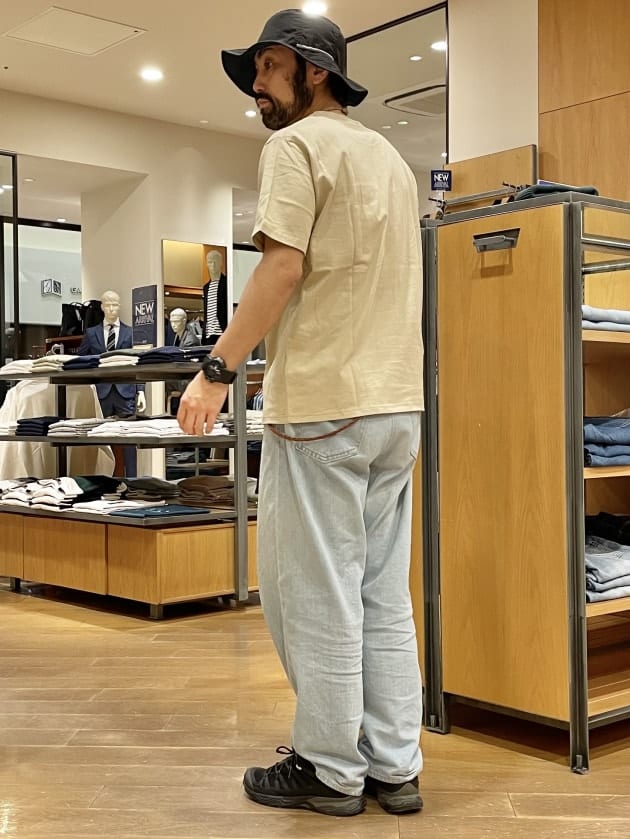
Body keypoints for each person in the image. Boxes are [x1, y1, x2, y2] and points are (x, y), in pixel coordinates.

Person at [178, 8, 424, 818]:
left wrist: (217, 370)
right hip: (396, 405)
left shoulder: (296, 146)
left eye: (268, 66)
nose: (256, 84)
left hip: (326, 405)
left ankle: (329, 766)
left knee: (315, 594)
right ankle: (394, 763)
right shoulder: (392, 160)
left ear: (315, 70)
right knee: (382, 594)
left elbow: (281, 268)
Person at [78, 289, 145, 476]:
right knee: (100, 437)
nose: (112, 308)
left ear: (120, 306)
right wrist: (87, 386)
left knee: (129, 439)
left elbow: (139, 363)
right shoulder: (91, 333)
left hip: (126, 392)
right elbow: (81, 361)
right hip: (101, 392)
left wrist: (141, 390)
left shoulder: (130, 333)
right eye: (108, 304)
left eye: (115, 304)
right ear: (102, 307)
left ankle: (132, 480)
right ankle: (101, 478)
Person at [202, 249, 228, 342]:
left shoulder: (226, 283)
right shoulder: (206, 287)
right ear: (206, 264)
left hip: (222, 333)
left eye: (215, 262)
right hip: (209, 334)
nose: (213, 265)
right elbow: (207, 312)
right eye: (210, 262)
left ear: (221, 263)